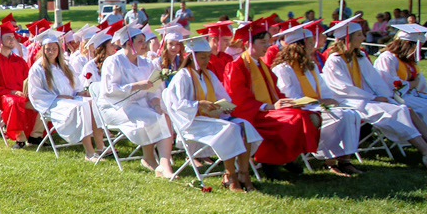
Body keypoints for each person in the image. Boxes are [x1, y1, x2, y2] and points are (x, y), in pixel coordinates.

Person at [322, 17, 427, 171]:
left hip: (369, 99)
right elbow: (342, 88)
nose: (364, 38)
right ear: (347, 38)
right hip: (350, 101)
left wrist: (387, 97)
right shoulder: (334, 60)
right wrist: (374, 97)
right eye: (359, 35)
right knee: (397, 113)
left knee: (406, 109)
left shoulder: (360, 57)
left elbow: (376, 81)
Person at [222, 19, 321, 174]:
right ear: (249, 43)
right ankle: (271, 161)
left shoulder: (263, 66)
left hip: (267, 110)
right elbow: (238, 98)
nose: (268, 46)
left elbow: (276, 92)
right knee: (294, 120)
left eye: (268, 42)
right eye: (263, 42)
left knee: (306, 115)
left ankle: (285, 157)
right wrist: (268, 107)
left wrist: (287, 102)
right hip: (251, 114)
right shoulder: (237, 66)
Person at [163, 37, 261, 191]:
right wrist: (198, 104)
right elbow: (177, 104)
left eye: (208, 57)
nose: (206, 61)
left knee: (245, 125)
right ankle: (230, 175)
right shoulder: (183, 76)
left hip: (212, 119)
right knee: (231, 129)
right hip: (193, 123)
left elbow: (223, 96)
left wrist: (225, 106)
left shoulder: (208, 75)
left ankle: (244, 173)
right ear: (191, 57)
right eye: (202, 57)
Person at [271, 25, 362, 176]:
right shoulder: (283, 69)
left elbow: (323, 89)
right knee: (339, 117)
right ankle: (330, 161)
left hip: (316, 105)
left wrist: (329, 99)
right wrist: (319, 102)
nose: (313, 45)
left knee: (351, 114)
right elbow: (290, 96)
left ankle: (345, 160)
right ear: (300, 45)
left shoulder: (310, 66)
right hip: (300, 108)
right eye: (310, 42)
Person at [98, 26, 175, 177]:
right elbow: (109, 91)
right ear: (128, 43)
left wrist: (156, 104)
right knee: (153, 118)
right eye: (140, 42)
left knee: (163, 116)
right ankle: (154, 161)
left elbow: (154, 90)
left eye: (144, 41)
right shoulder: (114, 62)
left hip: (141, 104)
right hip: (116, 106)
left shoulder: (147, 63)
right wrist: (136, 86)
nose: (145, 45)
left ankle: (160, 163)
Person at [26, 32, 105, 160]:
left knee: (92, 103)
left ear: (59, 50)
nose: (51, 51)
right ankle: (89, 152)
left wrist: (80, 92)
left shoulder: (65, 65)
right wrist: (59, 97)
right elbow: (36, 93)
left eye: (54, 48)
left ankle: (101, 147)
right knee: (81, 107)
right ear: (43, 50)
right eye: (48, 49)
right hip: (52, 103)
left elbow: (76, 85)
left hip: (71, 99)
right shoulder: (38, 68)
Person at [374, 24, 427, 147]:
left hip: (412, 95)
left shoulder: (408, 60)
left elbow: (422, 84)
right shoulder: (387, 58)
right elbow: (390, 85)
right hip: (396, 98)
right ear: (407, 44)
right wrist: (413, 84)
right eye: (416, 46)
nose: (418, 50)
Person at [0, 21, 40, 146]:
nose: (12, 40)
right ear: (0, 40)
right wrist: (12, 92)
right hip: (3, 97)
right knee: (14, 102)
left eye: (13, 37)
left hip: (22, 95)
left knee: (43, 101)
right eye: (8, 37)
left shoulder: (19, 61)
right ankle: (20, 138)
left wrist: (29, 91)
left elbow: (29, 79)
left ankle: (36, 135)